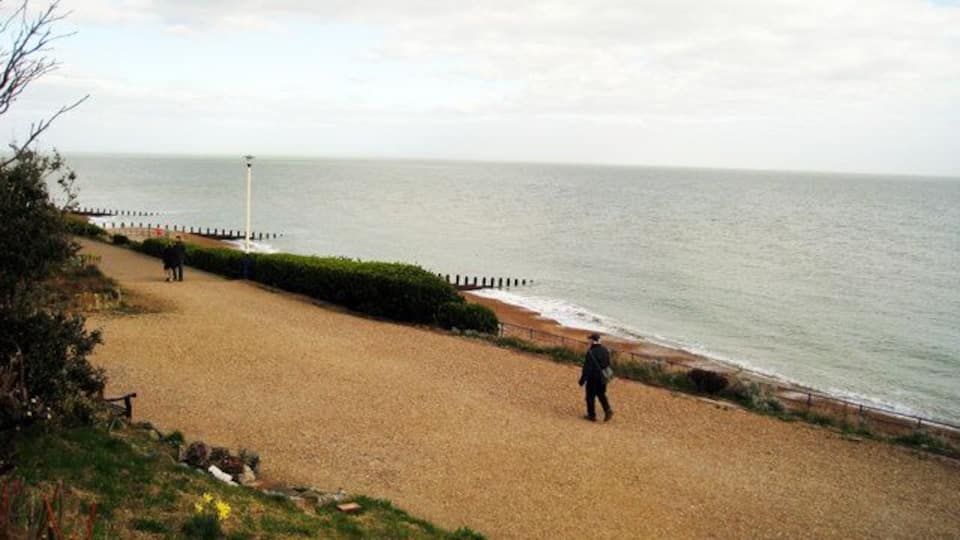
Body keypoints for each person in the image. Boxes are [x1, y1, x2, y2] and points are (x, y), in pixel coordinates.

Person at [579, 333, 613, 422]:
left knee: (590, 396)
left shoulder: (591, 352)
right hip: (603, 378)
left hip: (592, 378)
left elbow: (587, 367)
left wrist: (582, 379)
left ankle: (591, 415)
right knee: (601, 394)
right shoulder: (605, 350)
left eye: (589, 339)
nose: (588, 341)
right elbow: (607, 364)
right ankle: (608, 410)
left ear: (592, 340)